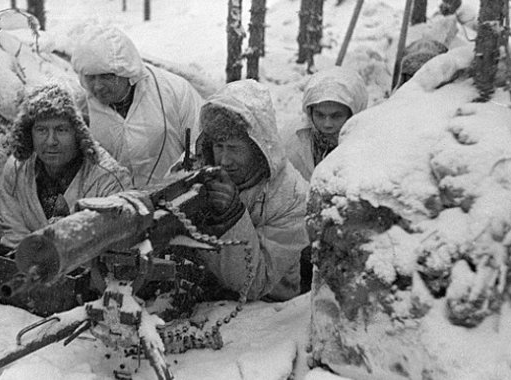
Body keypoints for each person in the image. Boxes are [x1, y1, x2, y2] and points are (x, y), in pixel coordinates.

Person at [186, 79, 310, 301]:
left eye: (234, 148)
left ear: (257, 148)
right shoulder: (196, 169)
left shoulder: (291, 196)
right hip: (201, 297)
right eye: (218, 147)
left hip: (269, 309)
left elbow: (255, 284)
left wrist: (231, 217)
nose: (224, 160)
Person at [0, 84, 132, 248]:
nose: (51, 141)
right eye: (41, 130)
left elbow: (118, 243)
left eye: (61, 130)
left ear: (79, 133)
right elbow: (12, 233)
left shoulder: (107, 179)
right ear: (29, 132)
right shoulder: (17, 169)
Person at [70, 24, 204, 188]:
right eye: (90, 77)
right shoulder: (80, 106)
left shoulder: (174, 90)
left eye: (106, 77)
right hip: (113, 206)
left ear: (126, 72)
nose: (97, 86)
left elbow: (202, 141)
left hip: (175, 196)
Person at [284, 66, 368, 181]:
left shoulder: (368, 146)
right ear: (310, 113)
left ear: (353, 114)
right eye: (320, 115)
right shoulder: (290, 139)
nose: (327, 124)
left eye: (336, 116)